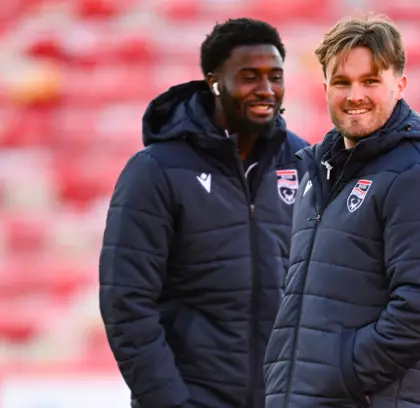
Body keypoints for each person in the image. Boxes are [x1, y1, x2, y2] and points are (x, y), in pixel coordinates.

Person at [99, 18, 308, 408]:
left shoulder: (305, 163)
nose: (266, 90)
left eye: (275, 76)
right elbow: (126, 302)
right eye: (250, 76)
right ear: (215, 82)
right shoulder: (155, 170)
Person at [264, 15, 420, 408]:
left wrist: (343, 373)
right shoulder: (317, 174)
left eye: (370, 81)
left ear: (399, 86)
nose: (355, 94)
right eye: (342, 82)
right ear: (325, 88)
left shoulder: (418, 174)